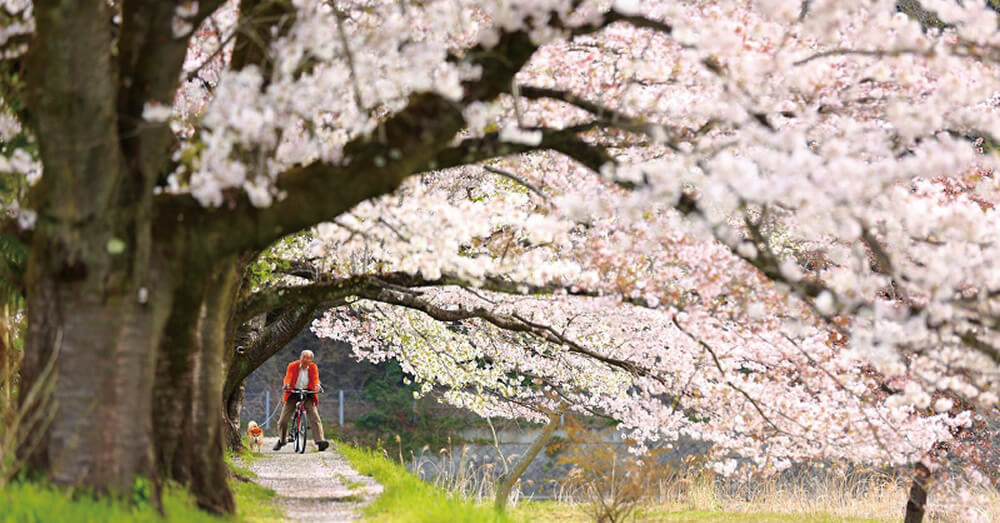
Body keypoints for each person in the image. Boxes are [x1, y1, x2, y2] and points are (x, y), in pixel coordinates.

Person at [273, 350, 330, 451]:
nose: (305, 360)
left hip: (307, 393)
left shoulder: (313, 367)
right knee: (283, 421)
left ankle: (320, 441)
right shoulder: (292, 366)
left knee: (314, 417)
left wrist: (317, 386)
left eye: (308, 358)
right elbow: (288, 376)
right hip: (293, 393)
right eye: (304, 357)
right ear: (300, 357)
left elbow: (316, 378)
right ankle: (282, 440)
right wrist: (286, 385)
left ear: (311, 360)